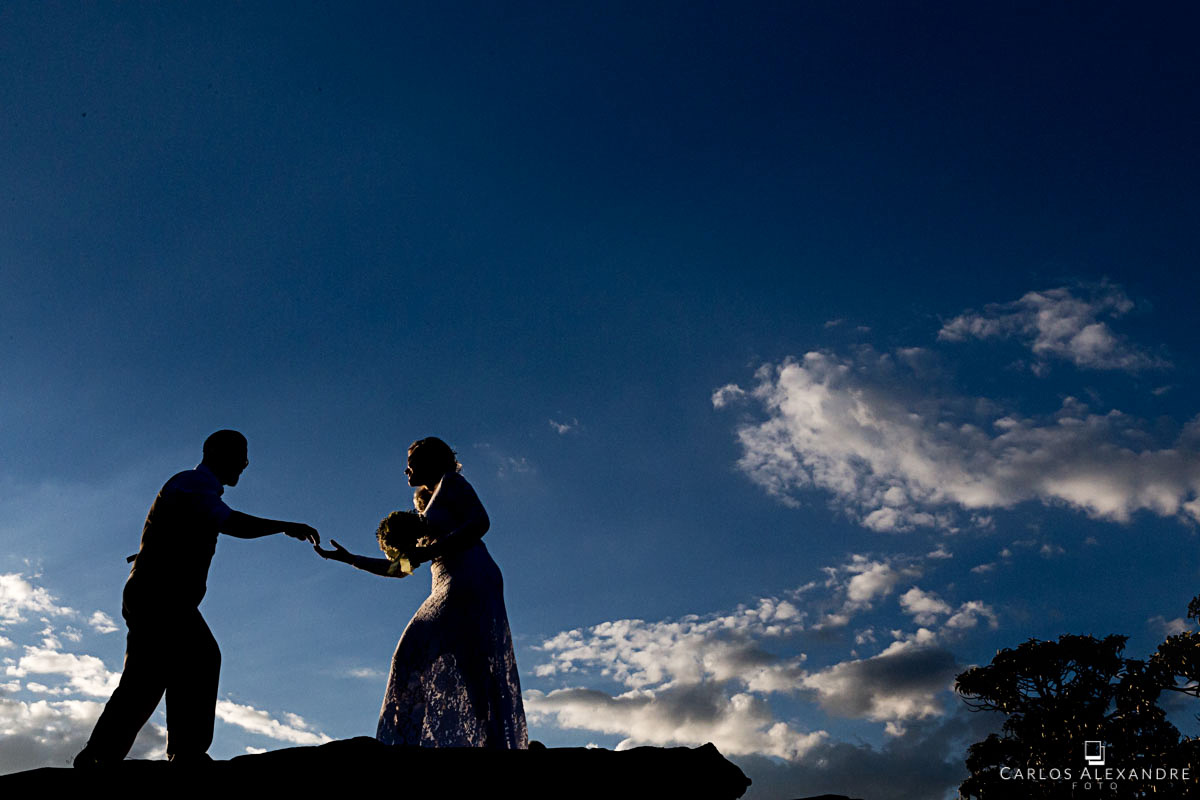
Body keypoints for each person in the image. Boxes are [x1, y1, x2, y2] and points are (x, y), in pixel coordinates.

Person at [74, 430, 320, 766]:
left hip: (163, 596)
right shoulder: (191, 483)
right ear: (218, 454)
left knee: (157, 673)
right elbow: (231, 523)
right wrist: (283, 526)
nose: (244, 466)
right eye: (241, 457)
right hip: (160, 595)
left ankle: (112, 754)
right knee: (193, 660)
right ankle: (174, 752)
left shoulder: (195, 487)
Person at [314, 436, 527, 748]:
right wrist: (350, 559)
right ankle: (482, 740)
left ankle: (411, 742)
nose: (406, 470)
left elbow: (481, 522)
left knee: (418, 652)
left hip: (469, 575)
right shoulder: (429, 504)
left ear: (429, 460)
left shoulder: (452, 482)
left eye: (410, 462)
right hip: (447, 580)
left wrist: (435, 548)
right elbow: (401, 569)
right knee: (467, 664)